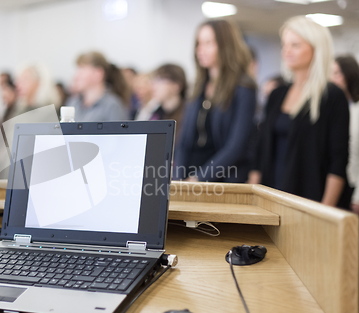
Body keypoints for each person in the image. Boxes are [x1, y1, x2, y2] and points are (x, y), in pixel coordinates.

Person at [250, 16, 350, 208]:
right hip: (271, 194)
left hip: (309, 199)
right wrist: (253, 196)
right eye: (284, 44)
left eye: (295, 45)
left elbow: (338, 160)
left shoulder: (332, 97)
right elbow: (261, 149)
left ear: (315, 48)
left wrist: (324, 211)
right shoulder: (277, 94)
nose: (286, 51)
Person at [174, 20, 257, 183]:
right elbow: (184, 140)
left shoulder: (244, 88)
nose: (200, 50)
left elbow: (236, 147)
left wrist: (199, 178)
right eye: (199, 43)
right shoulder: (198, 87)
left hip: (222, 179)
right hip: (189, 175)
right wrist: (179, 177)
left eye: (208, 43)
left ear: (225, 46)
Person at [66, 52, 129, 122]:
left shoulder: (112, 106)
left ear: (98, 73)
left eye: (82, 69)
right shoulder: (73, 103)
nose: (76, 76)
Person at [331, 55, 359, 212]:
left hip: (353, 185)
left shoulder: (356, 108)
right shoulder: (334, 110)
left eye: (337, 73)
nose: (332, 78)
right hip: (337, 180)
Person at [149, 64, 187, 133]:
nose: (154, 87)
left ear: (176, 86)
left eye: (160, 80)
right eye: (153, 81)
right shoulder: (156, 113)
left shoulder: (188, 114)